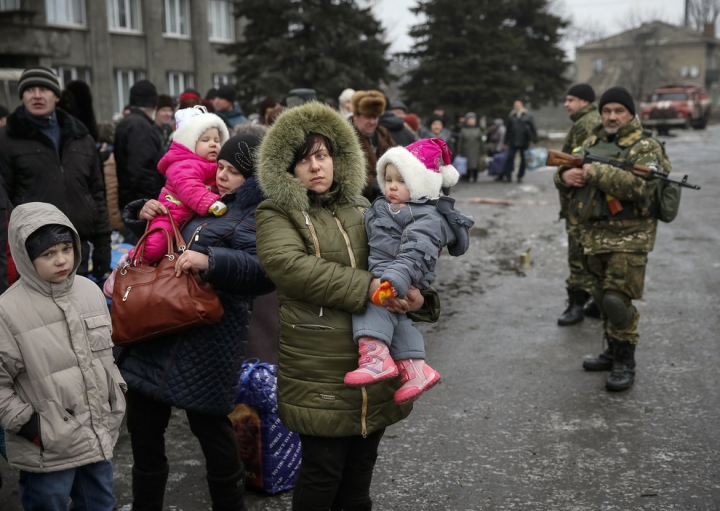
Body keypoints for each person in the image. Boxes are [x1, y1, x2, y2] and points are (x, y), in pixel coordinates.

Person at [255, 102, 439, 510]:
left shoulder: (364, 207)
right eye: (303, 160)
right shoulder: (275, 213)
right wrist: (372, 288)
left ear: (337, 158)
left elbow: (404, 259)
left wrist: (419, 297)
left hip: (375, 364)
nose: (316, 167)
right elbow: (291, 267)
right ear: (287, 168)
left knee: (359, 476)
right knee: (323, 474)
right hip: (319, 367)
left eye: (322, 156)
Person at [118, 133, 274, 511]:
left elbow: (265, 272)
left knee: (212, 431)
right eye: (219, 166)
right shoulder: (199, 191)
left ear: (253, 178)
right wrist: (143, 210)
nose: (221, 176)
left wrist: (213, 262)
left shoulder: (263, 214)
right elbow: (166, 222)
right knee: (144, 426)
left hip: (210, 338)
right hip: (156, 326)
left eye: (233, 172)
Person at [0, 202, 126, 511]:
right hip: (48, 446)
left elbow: (105, 356)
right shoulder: (8, 311)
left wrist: (116, 393)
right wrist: (29, 425)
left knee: (99, 502)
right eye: (47, 254)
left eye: (66, 249)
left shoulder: (88, 291)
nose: (61, 260)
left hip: (97, 433)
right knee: (48, 503)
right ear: (26, 258)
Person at [555, 86, 671, 392]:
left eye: (619, 111)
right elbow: (566, 165)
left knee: (617, 301)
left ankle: (625, 362)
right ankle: (611, 351)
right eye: (607, 111)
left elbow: (641, 187)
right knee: (602, 297)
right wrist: (565, 176)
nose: (612, 116)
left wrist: (595, 173)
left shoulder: (646, 146)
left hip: (630, 237)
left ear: (631, 113)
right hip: (593, 236)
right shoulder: (592, 140)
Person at [345, 138, 473, 405]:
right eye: (388, 178)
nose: (392, 186)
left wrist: (396, 278)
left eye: (402, 181)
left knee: (372, 305)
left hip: (400, 271)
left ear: (420, 184)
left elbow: (416, 250)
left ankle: (376, 356)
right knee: (398, 319)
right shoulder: (389, 206)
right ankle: (416, 369)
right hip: (389, 269)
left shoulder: (426, 215)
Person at [0, 66, 111, 280]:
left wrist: (103, 249)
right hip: (35, 252)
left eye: (44, 89)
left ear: (57, 96)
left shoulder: (81, 137)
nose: (37, 95)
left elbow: (97, 194)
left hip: (77, 249)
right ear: (22, 95)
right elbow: (5, 201)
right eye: (30, 90)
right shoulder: (6, 139)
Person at [128, 106, 229, 265]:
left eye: (217, 140)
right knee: (156, 244)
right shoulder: (182, 164)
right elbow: (188, 186)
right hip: (171, 212)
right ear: (189, 142)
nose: (213, 144)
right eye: (205, 140)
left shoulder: (216, 165)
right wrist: (209, 202)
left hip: (193, 214)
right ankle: (133, 261)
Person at [556, 84, 602, 326]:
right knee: (591, 254)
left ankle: (577, 304)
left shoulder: (586, 123)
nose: (566, 104)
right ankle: (596, 301)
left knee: (579, 254)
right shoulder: (588, 120)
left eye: (571, 99)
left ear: (584, 101)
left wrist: (564, 174)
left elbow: (577, 160)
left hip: (582, 204)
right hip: (588, 203)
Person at [114, 79, 165, 220]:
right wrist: (150, 201)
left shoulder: (127, 123)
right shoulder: (140, 127)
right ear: (154, 104)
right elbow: (141, 170)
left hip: (131, 203)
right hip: (142, 208)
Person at [351, 90, 396, 202]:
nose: (372, 122)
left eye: (375, 117)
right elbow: (347, 174)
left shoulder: (383, 133)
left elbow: (397, 158)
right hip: (359, 202)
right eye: (368, 117)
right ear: (356, 116)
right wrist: (373, 183)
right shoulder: (347, 137)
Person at [499, 100, 537, 183]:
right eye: (516, 105)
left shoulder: (527, 116)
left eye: (519, 105)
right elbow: (508, 130)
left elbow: (533, 127)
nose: (517, 107)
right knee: (510, 158)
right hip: (513, 141)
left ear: (522, 106)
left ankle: (520, 175)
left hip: (524, 141)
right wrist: (505, 142)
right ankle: (508, 175)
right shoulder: (511, 116)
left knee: (523, 159)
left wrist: (534, 138)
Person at [456, 112, 485, 183]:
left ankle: (475, 176)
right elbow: (460, 142)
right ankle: (467, 176)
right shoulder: (463, 130)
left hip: (476, 150)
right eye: (470, 120)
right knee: (467, 164)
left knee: (475, 164)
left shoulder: (478, 130)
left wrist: (483, 150)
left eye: (473, 120)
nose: (471, 121)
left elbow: (481, 142)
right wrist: (459, 150)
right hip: (466, 150)